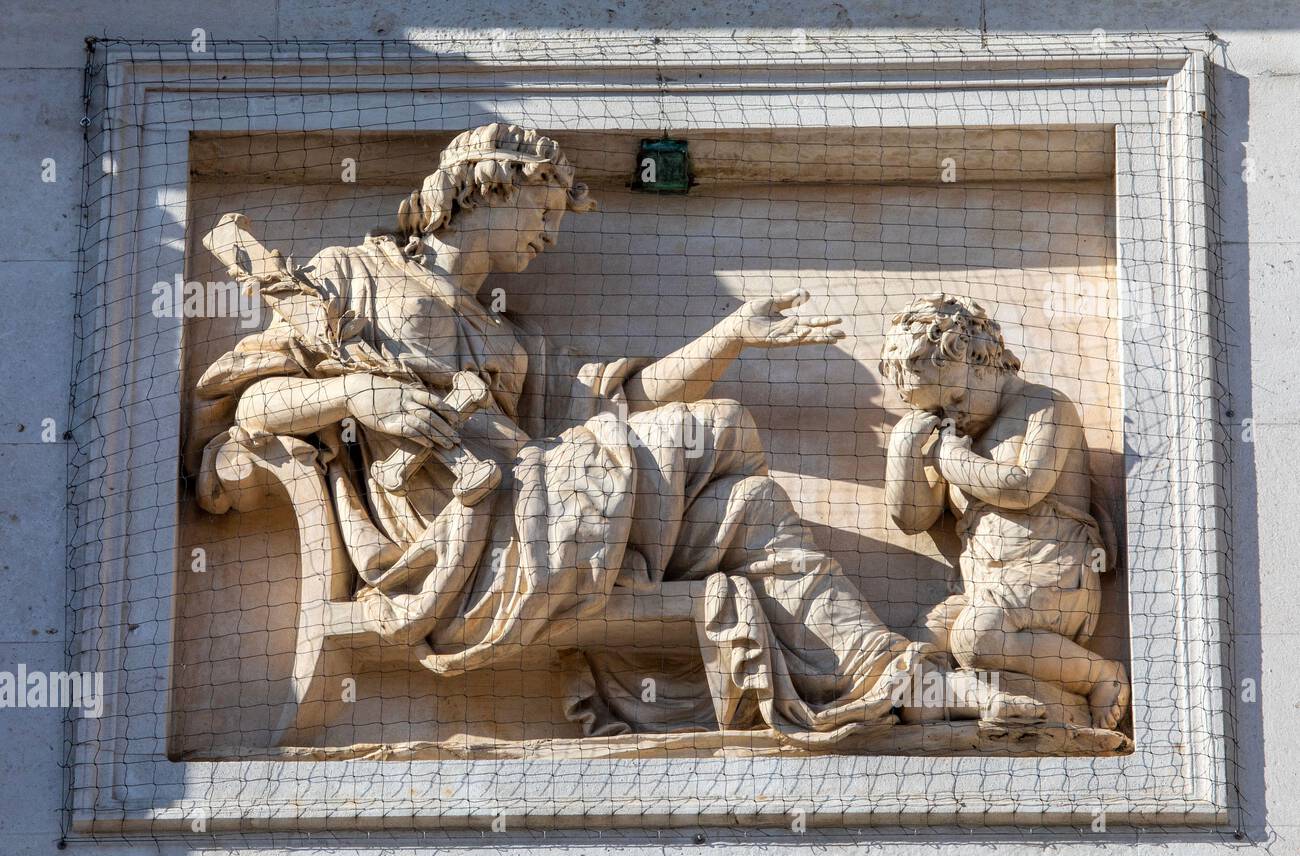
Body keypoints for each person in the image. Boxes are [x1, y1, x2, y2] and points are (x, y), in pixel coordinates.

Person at [194, 123, 1041, 744]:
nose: (551, 233)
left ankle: (902, 680)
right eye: (544, 207)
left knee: (750, 501)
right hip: (453, 533)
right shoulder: (347, 279)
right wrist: (356, 393)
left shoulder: (507, 339)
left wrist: (732, 335)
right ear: (489, 186)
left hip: (537, 506)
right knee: (718, 428)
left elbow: (622, 400)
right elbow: (250, 410)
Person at [879, 293, 1129, 729]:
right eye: (933, 409)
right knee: (911, 654)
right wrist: (904, 450)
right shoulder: (954, 435)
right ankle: (984, 702)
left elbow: (1025, 487)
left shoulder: (1046, 407)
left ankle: (1100, 676)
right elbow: (912, 518)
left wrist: (952, 459)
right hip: (988, 592)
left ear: (981, 362)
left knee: (977, 636)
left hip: (1055, 579)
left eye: (954, 397)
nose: (948, 414)